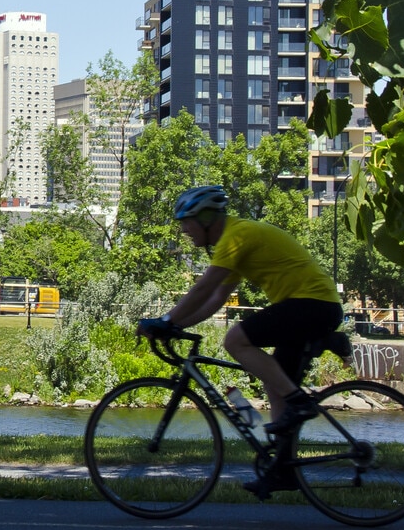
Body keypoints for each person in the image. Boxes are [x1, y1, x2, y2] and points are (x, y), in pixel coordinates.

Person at [138, 185, 342, 496]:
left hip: (311, 305)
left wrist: (165, 321)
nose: (184, 230)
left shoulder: (236, 236)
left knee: (234, 340)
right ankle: (283, 471)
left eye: (187, 222)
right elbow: (216, 299)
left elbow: (204, 288)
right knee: (276, 384)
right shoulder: (233, 242)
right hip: (312, 307)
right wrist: (176, 326)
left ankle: (300, 403)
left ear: (206, 218)